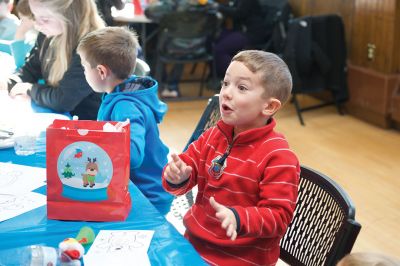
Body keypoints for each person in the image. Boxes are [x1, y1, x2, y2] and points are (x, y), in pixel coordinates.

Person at [162, 50, 300, 265]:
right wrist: (176, 177)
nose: (226, 93)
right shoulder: (214, 135)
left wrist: (239, 218)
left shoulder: (279, 157)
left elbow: (279, 217)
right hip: (194, 245)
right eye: (225, 83)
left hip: (240, 259)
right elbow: (183, 177)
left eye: (241, 87)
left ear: (270, 106)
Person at [77, 26, 173, 215]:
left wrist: (96, 146)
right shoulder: (121, 93)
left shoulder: (126, 107)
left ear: (101, 72)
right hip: (133, 186)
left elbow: (134, 155)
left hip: (146, 197)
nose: (83, 72)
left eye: (84, 67)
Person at [0, 0, 105, 120]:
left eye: (44, 19)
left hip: (88, 129)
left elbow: (64, 100)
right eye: (35, 16)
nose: (37, 25)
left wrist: (29, 89)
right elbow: (30, 69)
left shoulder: (92, 48)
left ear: (69, 15)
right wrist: (9, 83)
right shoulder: (48, 34)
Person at [212, 0, 268, 80]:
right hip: (240, 30)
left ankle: (231, 79)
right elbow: (233, 8)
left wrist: (219, 7)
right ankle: (214, 75)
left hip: (251, 33)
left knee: (220, 49)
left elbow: (239, 13)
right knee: (211, 41)